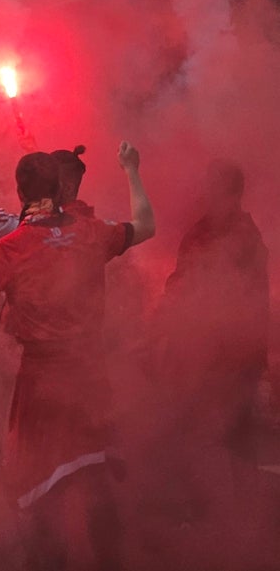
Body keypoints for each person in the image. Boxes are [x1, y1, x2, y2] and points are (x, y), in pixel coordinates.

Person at [0, 143, 155, 571]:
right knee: (94, 475)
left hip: (43, 383)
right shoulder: (91, 230)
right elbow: (146, 225)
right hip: (91, 374)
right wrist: (131, 169)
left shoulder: (12, 246)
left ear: (21, 192)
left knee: (43, 488)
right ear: (62, 190)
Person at [150, 159, 269, 532]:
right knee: (203, 431)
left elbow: (245, 300)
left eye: (214, 188)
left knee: (232, 433)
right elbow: (181, 282)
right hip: (205, 353)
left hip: (231, 355)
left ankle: (241, 519)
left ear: (231, 193)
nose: (207, 195)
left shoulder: (243, 238)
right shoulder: (204, 232)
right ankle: (210, 510)